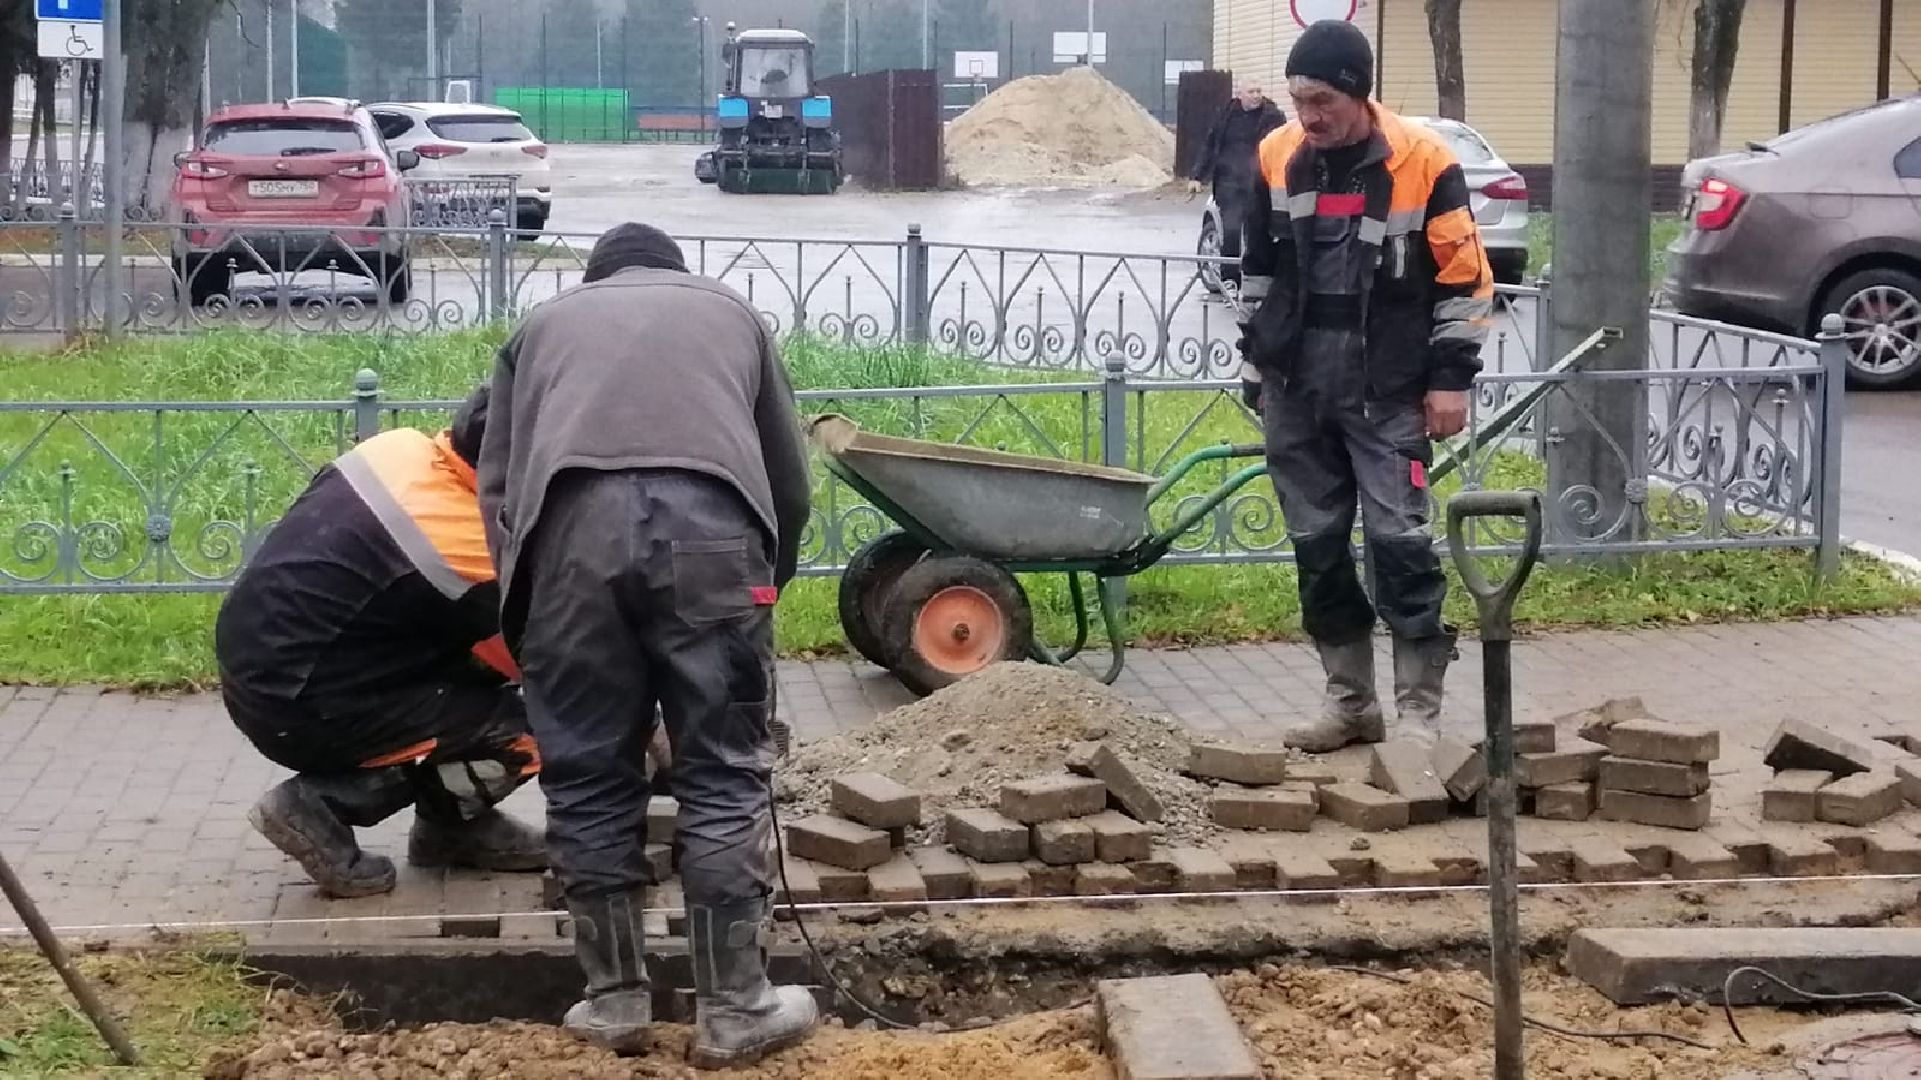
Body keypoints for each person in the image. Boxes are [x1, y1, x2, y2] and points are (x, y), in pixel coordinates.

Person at [478, 222, 816, 1066]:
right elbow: (788, 480)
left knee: (588, 775)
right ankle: (735, 1007)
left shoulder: (541, 327)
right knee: (721, 771)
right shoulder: (733, 314)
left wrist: (524, 597)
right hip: (714, 546)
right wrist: (765, 584)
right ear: (675, 270)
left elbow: (499, 485)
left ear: (597, 278)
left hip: (568, 552)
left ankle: (614, 1002)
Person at [1238, 20, 1495, 753]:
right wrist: (1257, 368)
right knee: (1317, 549)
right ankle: (1350, 704)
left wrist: (1450, 381)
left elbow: (1464, 283)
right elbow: (1256, 270)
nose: (1306, 117)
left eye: (1319, 100)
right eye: (1296, 101)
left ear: (1356, 91)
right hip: (1298, 386)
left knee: (1400, 547)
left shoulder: (1422, 160)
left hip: (1386, 391)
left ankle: (1418, 717)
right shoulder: (1277, 154)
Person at [216, 385, 546, 899]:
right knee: (527, 733)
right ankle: (319, 807)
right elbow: (545, 663)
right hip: (305, 704)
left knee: (480, 679)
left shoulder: (397, 448)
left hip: (263, 660)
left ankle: (452, 831)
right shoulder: (464, 547)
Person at [1190, 83, 1288, 278]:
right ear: (1239, 94)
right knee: (1232, 230)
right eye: (1251, 91)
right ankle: (1230, 280)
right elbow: (1210, 145)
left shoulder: (1273, 117)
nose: (1256, 96)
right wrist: (1196, 176)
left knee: (1260, 232)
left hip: (1259, 184)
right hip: (1229, 184)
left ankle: (1261, 278)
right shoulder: (1226, 115)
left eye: (1259, 91)